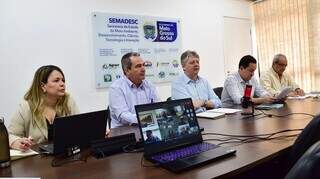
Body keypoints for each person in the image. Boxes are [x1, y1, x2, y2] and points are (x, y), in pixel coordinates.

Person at [8, 65, 79, 151]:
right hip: (37, 160)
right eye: (56, 80)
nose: (62, 84)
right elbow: (10, 136)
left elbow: (80, 128)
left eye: (63, 80)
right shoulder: (26, 106)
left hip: (63, 155)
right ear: (43, 86)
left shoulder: (68, 101)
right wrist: (18, 142)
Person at [109, 52, 159, 128]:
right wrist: (148, 118)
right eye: (138, 66)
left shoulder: (149, 85)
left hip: (146, 127)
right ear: (127, 70)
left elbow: (158, 106)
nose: (143, 69)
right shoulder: (116, 88)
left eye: (143, 65)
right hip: (124, 131)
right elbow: (124, 117)